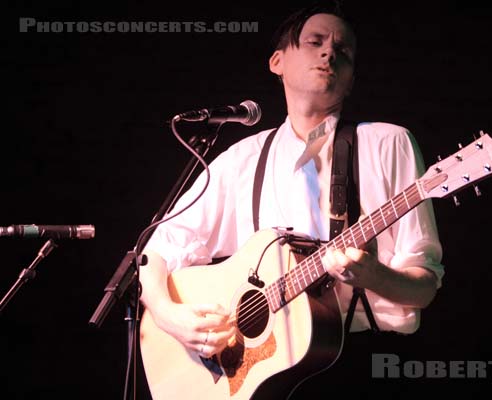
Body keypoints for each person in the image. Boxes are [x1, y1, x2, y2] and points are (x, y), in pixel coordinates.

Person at [138, 2, 444, 399]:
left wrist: (372, 276)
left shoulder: (389, 143)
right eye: (315, 41)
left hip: (358, 368)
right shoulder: (238, 160)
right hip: (262, 378)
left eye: (344, 50)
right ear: (277, 61)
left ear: (351, 80)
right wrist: (170, 316)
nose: (330, 52)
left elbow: (423, 289)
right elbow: (154, 253)